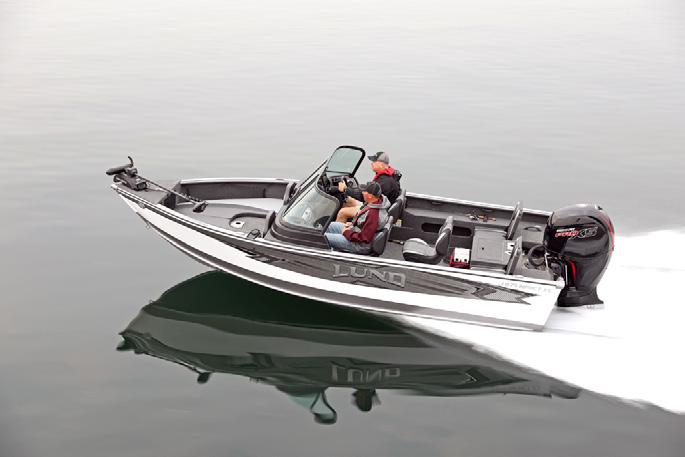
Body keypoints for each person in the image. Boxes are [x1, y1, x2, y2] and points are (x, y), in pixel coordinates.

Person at [336, 151, 401, 223]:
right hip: (377, 206)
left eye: (374, 161)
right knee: (348, 201)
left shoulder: (385, 181)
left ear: (381, 164)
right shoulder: (388, 176)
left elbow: (365, 197)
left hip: (375, 211)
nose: (371, 163)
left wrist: (345, 189)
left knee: (342, 212)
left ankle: (338, 229)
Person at [325, 181, 390, 254]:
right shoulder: (375, 202)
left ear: (370, 196)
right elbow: (364, 223)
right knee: (329, 226)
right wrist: (353, 224)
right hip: (355, 232)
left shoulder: (374, 214)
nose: (362, 192)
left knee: (324, 237)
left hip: (358, 244)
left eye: (364, 191)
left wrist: (346, 232)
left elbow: (364, 238)